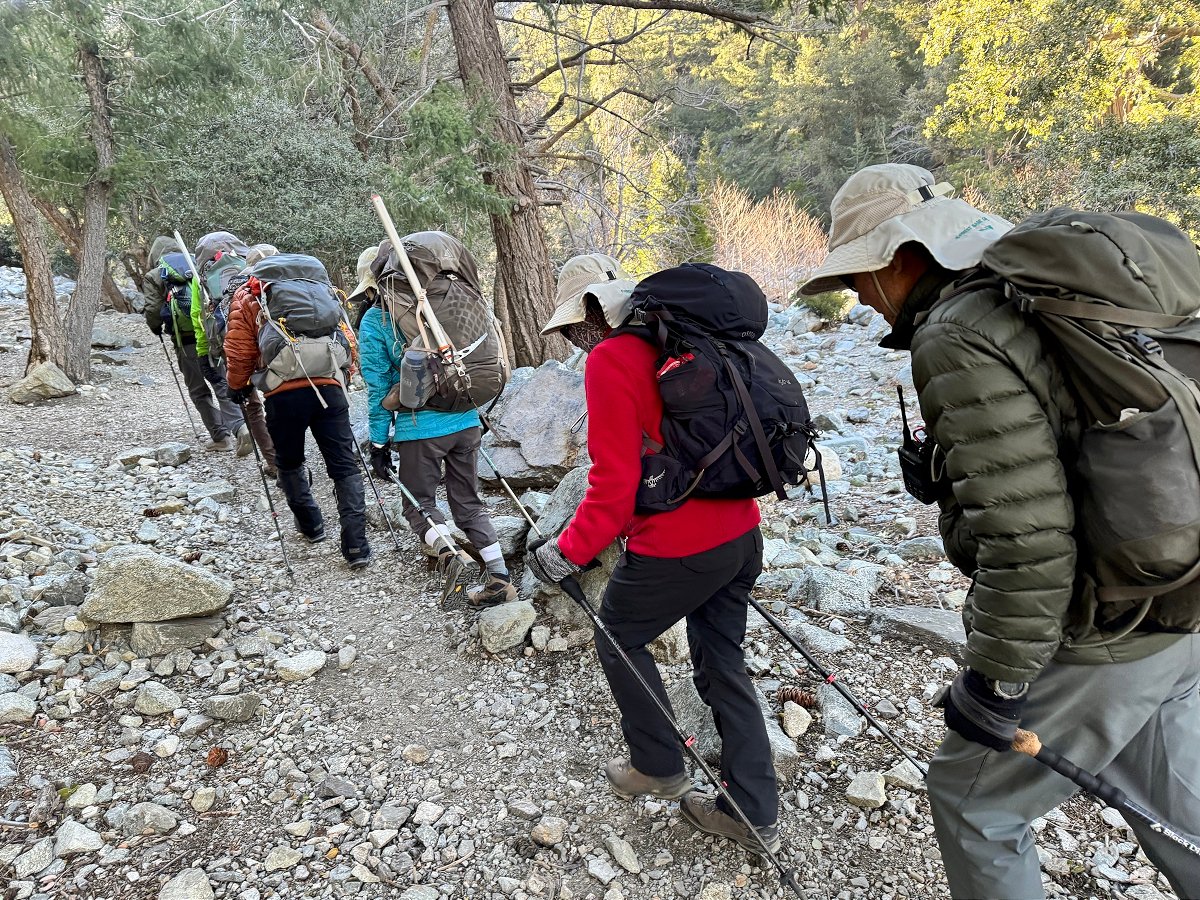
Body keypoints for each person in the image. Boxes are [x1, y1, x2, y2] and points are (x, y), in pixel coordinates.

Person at [800, 163, 1200, 900]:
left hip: (1106, 624)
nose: (860, 297)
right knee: (1171, 802)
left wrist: (997, 681)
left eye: (858, 278)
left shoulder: (956, 331)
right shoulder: (1048, 297)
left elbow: (1026, 539)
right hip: (1176, 595)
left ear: (901, 257)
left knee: (974, 804)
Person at [528, 253, 781, 853]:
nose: (575, 342)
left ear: (590, 317)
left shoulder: (613, 359)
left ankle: (658, 765)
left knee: (618, 635)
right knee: (722, 661)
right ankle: (753, 810)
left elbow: (613, 485)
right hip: (741, 533)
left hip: (677, 546)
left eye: (573, 329)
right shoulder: (693, 343)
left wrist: (566, 552)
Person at [357, 236, 515, 605]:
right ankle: (500, 579)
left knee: (418, 504)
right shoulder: (447, 304)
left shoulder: (376, 320)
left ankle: (452, 557)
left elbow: (379, 390)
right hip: (467, 420)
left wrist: (378, 443)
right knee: (468, 502)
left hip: (420, 429)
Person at [223, 254, 371, 570]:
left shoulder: (250, 294)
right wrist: (345, 375)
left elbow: (240, 349)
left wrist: (238, 386)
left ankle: (311, 524)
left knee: (289, 462)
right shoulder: (319, 288)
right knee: (344, 465)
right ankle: (357, 544)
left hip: (283, 393)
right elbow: (347, 338)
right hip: (329, 387)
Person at [143, 235, 240, 451]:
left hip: (186, 340)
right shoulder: (197, 264)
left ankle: (221, 437)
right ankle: (241, 428)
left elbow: (152, 310)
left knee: (198, 390)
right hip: (212, 334)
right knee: (221, 382)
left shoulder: (155, 275)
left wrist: (155, 328)